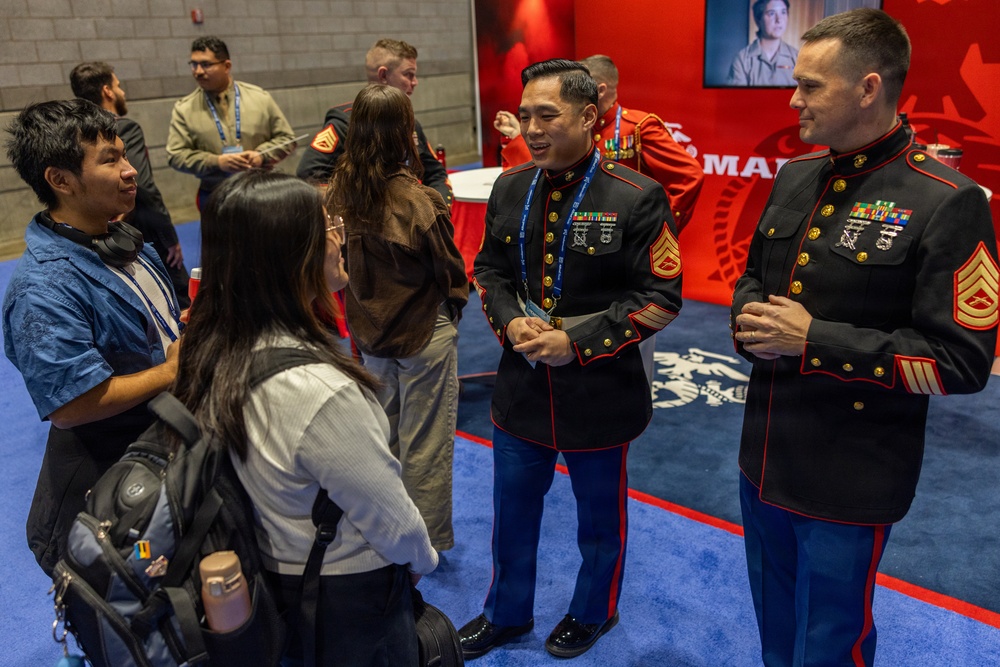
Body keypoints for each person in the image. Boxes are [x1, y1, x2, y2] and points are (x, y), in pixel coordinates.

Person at [731, 9, 998, 666]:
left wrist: (814, 339)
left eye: (810, 86)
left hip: (850, 474)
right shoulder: (797, 175)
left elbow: (962, 362)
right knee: (774, 631)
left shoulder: (948, 199)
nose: (793, 99)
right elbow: (751, 279)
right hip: (763, 456)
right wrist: (749, 322)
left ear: (869, 88)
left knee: (828, 644)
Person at [459, 59, 683, 660]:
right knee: (510, 514)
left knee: (599, 523)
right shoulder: (511, 186)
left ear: (590, 118)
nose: (530, 129)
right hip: (521, 386)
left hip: (601, 389)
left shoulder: (637, 196)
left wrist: (577, 343)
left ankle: (595, 610)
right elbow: (490, 271)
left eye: (547, 116)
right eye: (525, 115)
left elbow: (661, 299)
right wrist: (509, 321)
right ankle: (506, 613)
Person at [172, 169, 438, 666]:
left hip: (275, 575)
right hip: (345, 595)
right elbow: (394, 523)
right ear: (292, 258)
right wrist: (422, 560)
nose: (340, 240)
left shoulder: (212, 348)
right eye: (327, 229)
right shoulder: (318, 390)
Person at [3, 99, 181, 576]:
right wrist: (171, 370)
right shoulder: (42, 289)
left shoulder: (124, 242)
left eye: (125, 155)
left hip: (155, 454)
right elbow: (70, 406)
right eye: (110, 160)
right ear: (59, 180)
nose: (130, 171)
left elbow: (153, 327)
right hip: (99, 495)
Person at [326, 84, 468, 552]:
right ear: (406, 132)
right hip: (424, 334)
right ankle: (424, 546)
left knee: (379, 438)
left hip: (368, 334)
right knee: (424, 445)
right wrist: (451, 313)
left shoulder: (337, 196)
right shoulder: (419, 200)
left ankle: (384, 532)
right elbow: (451, 272)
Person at [495, 54, 704, 231]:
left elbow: (689, 177)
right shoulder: (572, 127)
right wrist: (517, 137)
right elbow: (545, 171)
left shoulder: (639, 128)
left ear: (599, 90)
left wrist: (660, 228)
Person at [70, 61, 192, 308]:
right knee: (181, 298)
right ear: (108, 91)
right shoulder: (124, 127)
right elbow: (142, 185)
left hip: (99, 231)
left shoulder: (75, 135)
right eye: (119, 85)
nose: (122, 92)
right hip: (141, 229)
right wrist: (169, 237)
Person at [296, 38, 452, 206]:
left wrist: (437, 211)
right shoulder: (344, 125)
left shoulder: (410, 124)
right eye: (408, 74)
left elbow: (436, 174)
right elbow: (309, 178)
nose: (415, 82)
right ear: (383, 75)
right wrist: (364, 206)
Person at [166, 36, 297, 211]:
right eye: (193, 64)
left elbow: (288, 139)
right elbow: (176, 155)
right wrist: (216, 162)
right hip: (215, 194)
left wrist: (261, 156)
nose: (197, 71)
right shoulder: (185, 108)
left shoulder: (259, 98)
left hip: (262, 190)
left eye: (205, 64)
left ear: (226, 66)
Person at [727, 0, 798, 86]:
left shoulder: (797, 58)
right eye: (771, 13)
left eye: (783, 12)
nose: (779, 20)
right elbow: (737, 98)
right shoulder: (742, 60)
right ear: (758, 19)